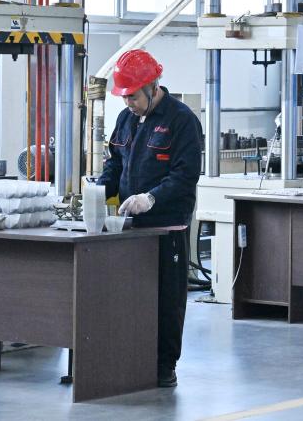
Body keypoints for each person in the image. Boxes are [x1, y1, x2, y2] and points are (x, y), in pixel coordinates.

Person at [96, 49, 203, 388]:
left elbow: (185, 175)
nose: (128, 103)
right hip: (132, 229)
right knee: (132, 296)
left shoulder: (181, 121)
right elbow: (115, 163)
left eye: (133, 96)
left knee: (167, 300)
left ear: (153, 87)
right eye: (124, 97)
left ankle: (163, 365)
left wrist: (151, 198)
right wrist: (97, 191)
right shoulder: (125, 119)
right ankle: (130, 358)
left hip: (166, 227)